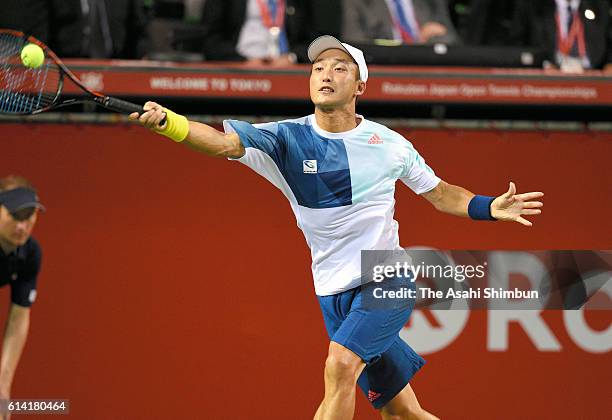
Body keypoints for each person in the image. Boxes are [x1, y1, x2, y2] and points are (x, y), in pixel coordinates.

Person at [130, 35, 544, 419]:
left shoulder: (391, 145)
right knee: (402, 413)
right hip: (333, 292)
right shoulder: (284, 139)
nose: (325, 74)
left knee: (340, 366)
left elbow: (441, 194)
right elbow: (223, 143)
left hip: (387, 278)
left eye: (339, 67)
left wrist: (489, 207)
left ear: (361, 85)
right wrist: (172, 123)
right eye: (318, 68)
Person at [0, 176, 44, 413]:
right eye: (15, 216)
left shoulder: (30, 253)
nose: (22, 226)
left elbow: (18, 318)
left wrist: (3, 388)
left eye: (28, 217)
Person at [200, 0, 341, 64]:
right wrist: (243, 61)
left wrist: (293, 58)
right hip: (240, 67)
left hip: (287, 68)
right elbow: (210, 41)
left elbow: (319, 39)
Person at [511, 0, 612, 72]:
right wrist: (542, 66)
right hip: (549, 78)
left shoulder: (599, 5)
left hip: (592, 76)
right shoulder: (532, 5)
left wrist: (609, 64)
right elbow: (517, 47)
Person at [342, 0, 460, 45]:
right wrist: (416, 44)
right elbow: (354, 49)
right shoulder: (357, 3)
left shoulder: (431, 3)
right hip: (384, 76)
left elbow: (453, 42)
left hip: (428, 77)